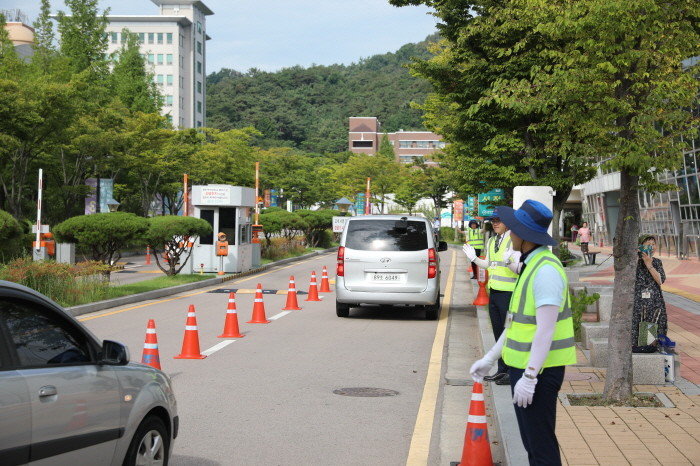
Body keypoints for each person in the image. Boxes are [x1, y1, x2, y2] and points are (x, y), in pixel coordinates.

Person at [470, 200, 576, 466]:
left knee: (540, 446)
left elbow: (545, 330)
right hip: (526, 367)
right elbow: (515, 324)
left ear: (525, 235)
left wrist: (530, 376)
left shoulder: (546, 270)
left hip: (539, 371)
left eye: (514, 228)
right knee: (532, 443)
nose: (510, 233)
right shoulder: (531, 265)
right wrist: (490, 357)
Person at [463, 210, 521, 385]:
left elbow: (519, 268)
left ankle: (512, 371)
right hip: (494, 292)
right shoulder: (492, 240)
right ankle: (502, 369)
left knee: (509, 333)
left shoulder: (514, 240)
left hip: (509, 294)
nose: (495, 224)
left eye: (498, 221)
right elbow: (488, 264)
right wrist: (474, 258)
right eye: (493, 221)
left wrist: (510, 261)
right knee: (498, 331)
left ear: (507, 223)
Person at [631, 235, 667, 346]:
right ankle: (640, 346)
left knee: (653, 323)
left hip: (654, 301)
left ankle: (651, 347)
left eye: (653, 244)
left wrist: (649, 264)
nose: (652, 247)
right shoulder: (633, 262)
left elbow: (660, 280)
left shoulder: (657, 262)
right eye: (648, 244)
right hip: (638, 301)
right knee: (639, 324)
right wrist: (635, 256)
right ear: (640, 247)